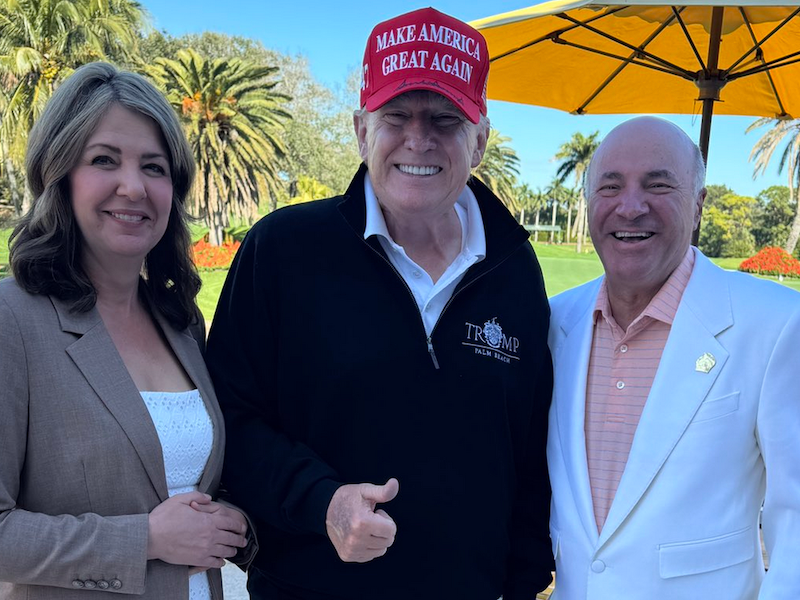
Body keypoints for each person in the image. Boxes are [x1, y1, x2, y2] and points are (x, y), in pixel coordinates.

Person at [206, 7, 554, 600]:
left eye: (445, 119)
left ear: (481, 141)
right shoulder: (283, 250)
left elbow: (528, 451)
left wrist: (521, 584)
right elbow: (229, 422)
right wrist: (323, 501)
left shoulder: (513, 269)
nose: (419, 139)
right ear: (362, 130)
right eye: (396, 115)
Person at [0, 62, 254, 599]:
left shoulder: (181, 321)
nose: (133, 187)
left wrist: (233, 520)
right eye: (104, 160)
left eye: (155, 167)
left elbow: (193, 482)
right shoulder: (13, 320)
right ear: (59, 175)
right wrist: (143, 538)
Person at [547, 116, 800, 599]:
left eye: (658, 185)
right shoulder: (556, 323)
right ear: (589, 201)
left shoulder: (776, 324)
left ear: (699, 205)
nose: (631, 206)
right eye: (610, 186)